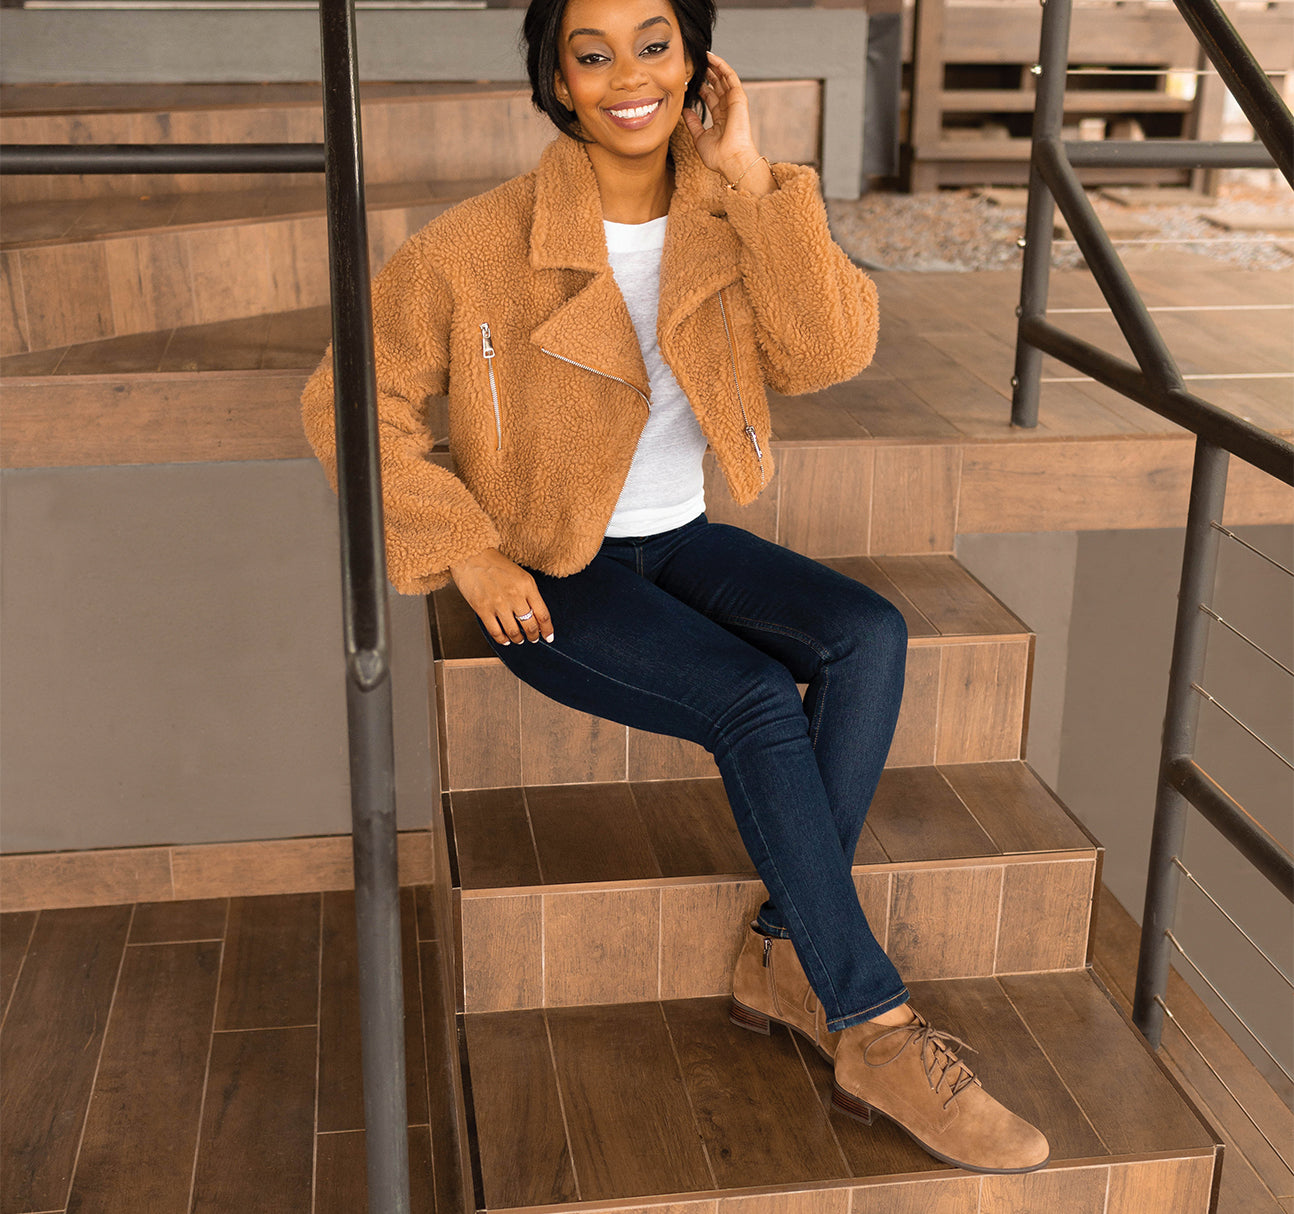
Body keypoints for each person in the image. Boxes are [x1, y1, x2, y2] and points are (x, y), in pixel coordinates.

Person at [302, 0, 1049, 1176]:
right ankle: (872, 1024)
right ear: (554, 79)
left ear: (697, 59)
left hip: (681, 538)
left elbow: (826, 352)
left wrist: (755, 182)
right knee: (753, 695)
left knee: (866, 633)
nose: (626, 78)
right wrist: (465, 548)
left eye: (654, 44)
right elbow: (347, 400)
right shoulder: (474, 244)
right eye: (588, 55)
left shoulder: (722, 214)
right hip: (554, 569)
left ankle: (777, 947)